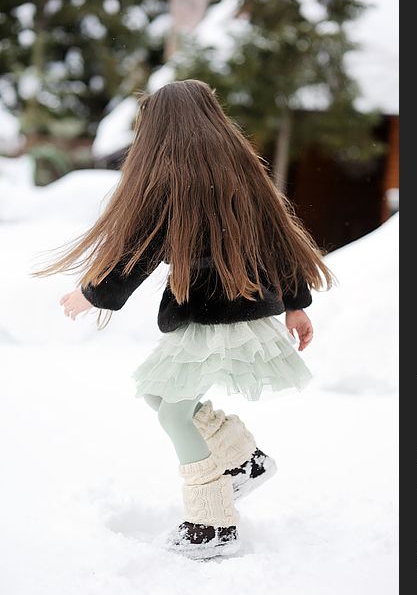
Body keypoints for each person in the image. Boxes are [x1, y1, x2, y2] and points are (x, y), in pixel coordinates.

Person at [36, 79, 333, 560]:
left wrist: (94, 295)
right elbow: (281, 240)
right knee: (159, 393)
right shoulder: (239, 169)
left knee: (173, 410)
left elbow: (141, 250)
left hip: (217, 316)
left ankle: (211, 522)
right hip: (229, 312)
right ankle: (243, 459)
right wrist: (295, 303)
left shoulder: (175, 177)